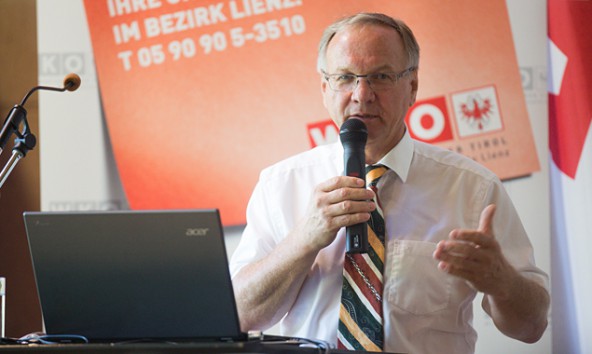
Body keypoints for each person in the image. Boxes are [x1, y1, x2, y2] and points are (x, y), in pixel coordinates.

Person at [229, 12, 550, 354]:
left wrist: (502, 281)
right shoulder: (280, 184)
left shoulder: (472, 188)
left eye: (381, 76)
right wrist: (303, 239)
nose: (362, 94)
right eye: (345, 77)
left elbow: (532, 328)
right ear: (325, 88)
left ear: (412, 86)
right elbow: (239, 316)